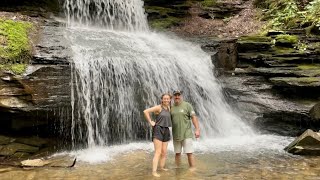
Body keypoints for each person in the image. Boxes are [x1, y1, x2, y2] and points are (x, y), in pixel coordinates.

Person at [143, 93, 172, 177]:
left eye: (168, 99)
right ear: (162, 100)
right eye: (164, 99)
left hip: (166, 129)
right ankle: (154, 172)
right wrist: (150, 121)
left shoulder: (169, 108)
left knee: (164, 152)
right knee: (158, 152)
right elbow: (146, 111)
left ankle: (162, 168)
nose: (166, 100)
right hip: (158, 129)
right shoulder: (158, 107)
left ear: (170, 100)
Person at [171, 90, 200, 170]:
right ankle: (178, 168)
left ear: (181, 96)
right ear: (173, 97)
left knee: (189, 153)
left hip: (186, 134)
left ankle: (193, 168)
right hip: (176, 134)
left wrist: (197, 129)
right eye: (175, 95)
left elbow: (194, 117)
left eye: (178, 95)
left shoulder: (187, 105)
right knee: (177, 153)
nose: (177, 97)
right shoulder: (171, 107)